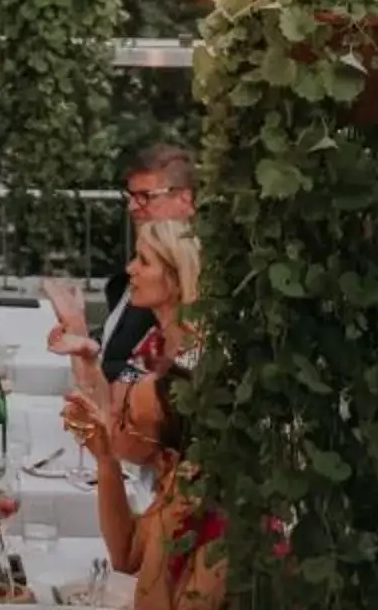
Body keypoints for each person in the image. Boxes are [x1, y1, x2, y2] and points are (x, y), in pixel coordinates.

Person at [63, 219, 223, 607]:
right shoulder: (155, 339)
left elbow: (131, 417)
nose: (131, 269)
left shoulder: (200, 360)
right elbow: (120, 410)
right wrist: (85, 354)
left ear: (174, 276)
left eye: (143, 261)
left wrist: (112, 444)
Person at [47, 141, 195, 381]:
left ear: (184, 200)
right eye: (131, 196)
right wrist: (82, 335)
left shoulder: (187, 283)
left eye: (145, 196)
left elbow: (125, 370)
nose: (132, 206)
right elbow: (114, 347)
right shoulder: (137, 275)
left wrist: (80, 335)